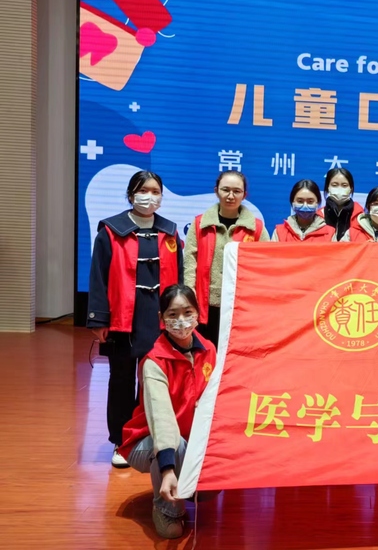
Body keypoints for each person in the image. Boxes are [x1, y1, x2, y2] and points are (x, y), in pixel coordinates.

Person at [87, 171, 183, 468]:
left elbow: (179, 279)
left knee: (154, 382)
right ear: (131, 195)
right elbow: (98, 277)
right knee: (122, 380)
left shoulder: (170, 233)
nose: (149, 197)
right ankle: (121, 441)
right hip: (123, 320)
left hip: (159, 319)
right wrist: (99, 320)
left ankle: (149, 437)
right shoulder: (110, 231)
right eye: (143, 191)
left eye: (155, 191)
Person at [118, 284, 216, 539]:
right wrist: (168, 470)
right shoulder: (154, 362)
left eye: (187, 312)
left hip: (189, 437)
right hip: (148, 441)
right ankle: (166, 509)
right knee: (176, 445)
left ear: (198, 312)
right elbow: (162, 418)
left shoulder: (209, 350)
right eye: (173, 314)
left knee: (209, 489)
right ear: (162, 318)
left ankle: (187, 483)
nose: (181, 321)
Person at [184, 171, 269, 346]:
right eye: (225, 190)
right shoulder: (200, 223)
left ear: (245, 195)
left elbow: (266, 265)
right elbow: (190, 261)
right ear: (216, 191)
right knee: (206, 352)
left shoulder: (256, 228)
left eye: (237, 191)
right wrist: (189, 295)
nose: (231, 196)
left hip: (240, 305)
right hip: (204, 305)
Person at [271, 179, 336, 242]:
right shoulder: (279, 232)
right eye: (300, 201)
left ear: (318, 203)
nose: (305, 206)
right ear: (292, 203)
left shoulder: (330, 233)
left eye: (310, 201)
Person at [319, 167, 362, 241]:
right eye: (334, 185)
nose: (339, 189)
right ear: (328, 187)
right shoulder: (319, 215)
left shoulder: (360, 216)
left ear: (351, 189)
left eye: (344, 185)